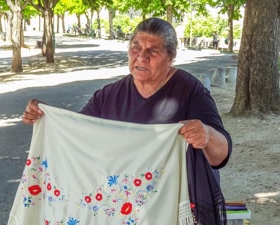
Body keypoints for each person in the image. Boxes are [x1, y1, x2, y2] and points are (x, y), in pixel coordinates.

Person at [22, 18, 232, 225]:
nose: (141, 56)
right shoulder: (109, 96)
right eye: (136, 47)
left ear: (171, 57)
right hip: (126, 210)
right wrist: (47, 117)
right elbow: (77, 133)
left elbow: (221, 155)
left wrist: (206, 135)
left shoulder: (190, 93)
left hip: (175, 206)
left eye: (153, 51)